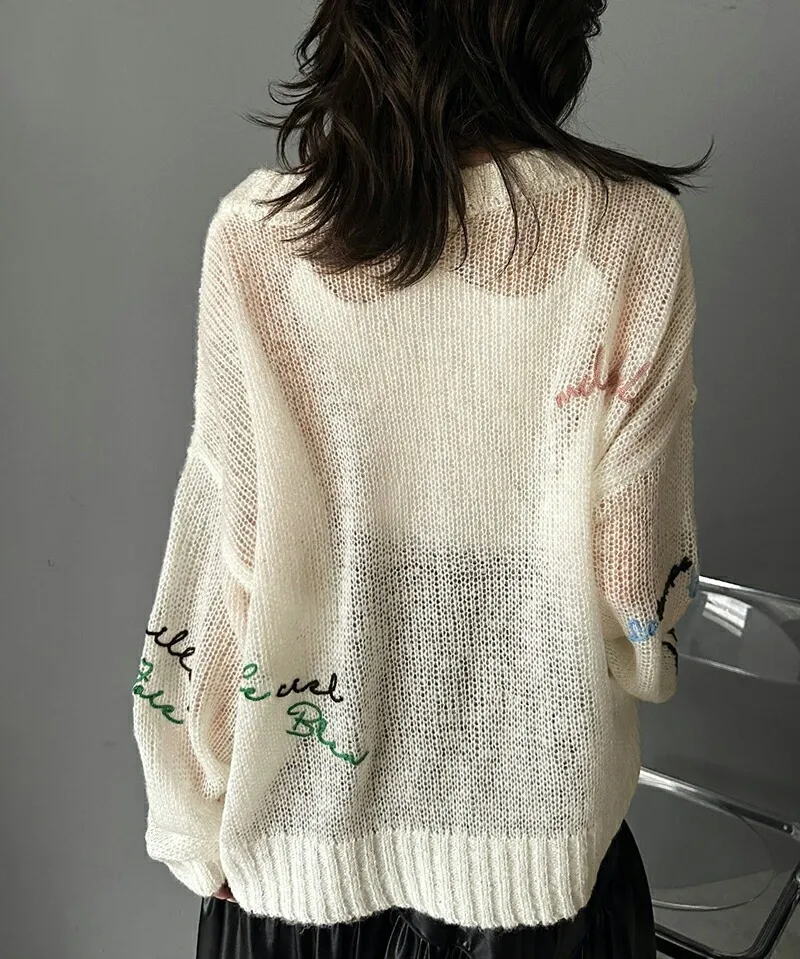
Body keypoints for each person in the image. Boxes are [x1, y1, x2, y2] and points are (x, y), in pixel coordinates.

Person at [132, 1, 713, 956]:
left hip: (301, 854)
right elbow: (634, 595)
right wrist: (628, 658)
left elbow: (229, 554)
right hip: (534, 857)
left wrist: (190, 815)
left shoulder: (260, 236)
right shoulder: (631, 234)